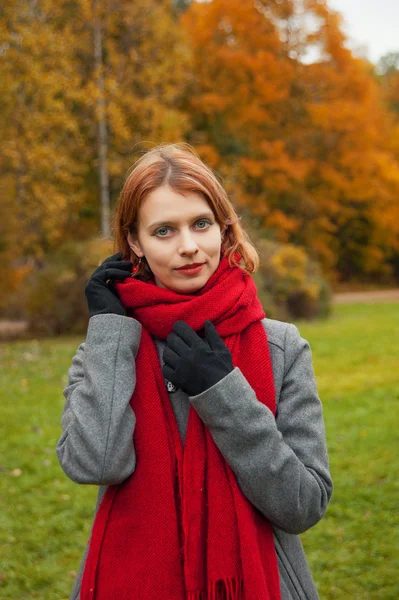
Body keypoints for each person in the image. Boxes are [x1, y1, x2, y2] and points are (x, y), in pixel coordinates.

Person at [56, 142, 333, 600]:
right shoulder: (112, 344)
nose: (188, 247)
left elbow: (303, 504)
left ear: (223, 229)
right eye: (163, 231)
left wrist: (223, 392)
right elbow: (96, 463)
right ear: (134, 242)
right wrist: (109, 332)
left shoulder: (280, 346)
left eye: (200, 224)